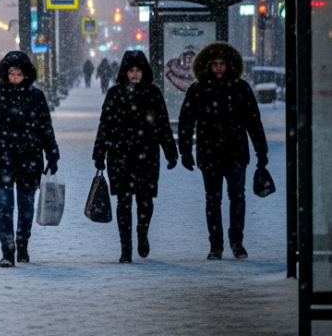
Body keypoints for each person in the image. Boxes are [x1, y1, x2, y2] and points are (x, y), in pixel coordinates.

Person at [178, 41, 268, 260]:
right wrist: (185, 151)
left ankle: (236, 242)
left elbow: (253, 122)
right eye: (214, 64)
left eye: (222, 64)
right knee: (214, 200)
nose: (218, 68)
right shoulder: (199, 89)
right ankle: (216, 245)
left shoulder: (240, 88)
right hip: (210, 154)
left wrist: (261, 151)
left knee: (236, 198)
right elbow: (186, 122)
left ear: (229, 65)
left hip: (234, 153)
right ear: (207, 65)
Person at [0, 51, 60, 268]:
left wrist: (52, 155)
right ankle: (8, 251)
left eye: (19, 74)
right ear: (6, 74)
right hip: (1, 158)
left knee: (26, 206)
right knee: (4, 206)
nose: (16, 78)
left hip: (29, 158)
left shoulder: (36, 97)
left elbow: (46, 128)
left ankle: (22, 242)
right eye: (12, 73)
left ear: (26, 75)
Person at [92, 50, 178, 263]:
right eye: (131, 70)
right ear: (125, 72)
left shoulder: (153, 93)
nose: (135, 74)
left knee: (145, 200)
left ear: (144, 71)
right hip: (120, 155)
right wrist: (99, 153)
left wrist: (171, 152)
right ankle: (126, 248)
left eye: (138, 70)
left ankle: (142, 233)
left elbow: (162, 124)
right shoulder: (115, 93)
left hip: (146, 155)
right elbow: (105, 125)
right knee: (124, 202)